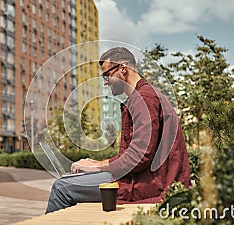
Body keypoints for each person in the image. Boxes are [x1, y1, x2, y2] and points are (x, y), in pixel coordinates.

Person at [45, 47, 191, 214]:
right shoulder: (140, 97)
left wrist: (97, 166)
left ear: (123, 68)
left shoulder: (144, 98)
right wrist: (95, 164)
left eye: (106, 75)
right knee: (68, 181)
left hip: (150, 184)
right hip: (144, 178)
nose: (105, 82)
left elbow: (139, 156)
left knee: (62, 187)